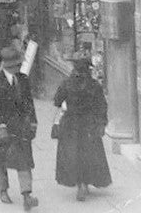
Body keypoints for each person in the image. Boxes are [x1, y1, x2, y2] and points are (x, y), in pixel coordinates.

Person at [53, 50, 111, 201]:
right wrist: (102, 123)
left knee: (74, 154)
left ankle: (79, 183)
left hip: (71, 123)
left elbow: (57, 101)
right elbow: (102, 106)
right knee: (89, 153)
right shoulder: (94, 85)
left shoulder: (67, 83)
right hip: (89, 124)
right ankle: (85, 182)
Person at [0, 45, 39, 209]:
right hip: (4, 127)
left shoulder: (23, 79)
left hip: (21, 127)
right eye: (18, 64)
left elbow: (29, 103)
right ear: (10, 66)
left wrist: (32, 121)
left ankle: (26, 195)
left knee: (23, 162)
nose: (20, 67)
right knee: (1, 162)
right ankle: (3, 190)